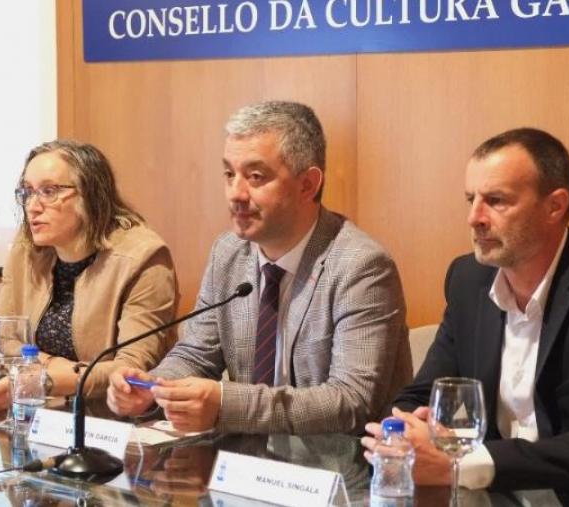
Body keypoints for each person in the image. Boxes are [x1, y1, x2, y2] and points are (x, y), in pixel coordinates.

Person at [362, 128, 569, 493]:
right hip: (492, 495)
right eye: (471, 199)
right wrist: (408, 431)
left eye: (496, 201)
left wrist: (463, 464)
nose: (474, 218)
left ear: (555, 206)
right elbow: (420, 395)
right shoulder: (469, 280)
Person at [107, 101, 411, 434]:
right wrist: (153, 388)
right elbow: (197, 354)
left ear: (307, 184)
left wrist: (225, 404)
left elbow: (351, 402)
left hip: (340, 473)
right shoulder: (229, 252)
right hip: (245, 467)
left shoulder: (361, 266)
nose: (235, 193)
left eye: (255, 177)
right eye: (228, 174)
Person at [0, 140, 178, 407]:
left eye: (48, 191)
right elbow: (5, 342)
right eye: (27, 192)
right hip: (42, 409)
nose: (32, 206)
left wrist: (46, 378)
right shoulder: (27, 249)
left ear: (91, 195)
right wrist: (51, 368)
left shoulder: (143, 258)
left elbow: (130, 368)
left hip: (113, 421)